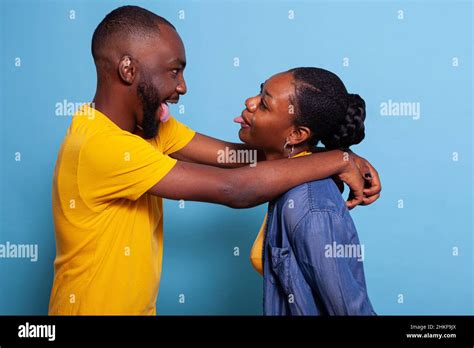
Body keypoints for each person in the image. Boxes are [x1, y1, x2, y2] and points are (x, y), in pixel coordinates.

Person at [49, 6, 381, 315]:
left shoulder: (145, 128)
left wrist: (330, 154)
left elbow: (239, 158)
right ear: (128, 69)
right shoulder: (101, 146)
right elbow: (234, 188)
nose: (182, 87)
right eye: (173, 71)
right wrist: (338, 160)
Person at [240, 68, 376, 315]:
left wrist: (342, 158)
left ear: (296, 134)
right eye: (259, 92)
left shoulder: (311, 207)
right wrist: (340, 158)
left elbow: (350, 309)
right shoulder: (284, 176)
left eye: (264, 105)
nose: (250, 103)